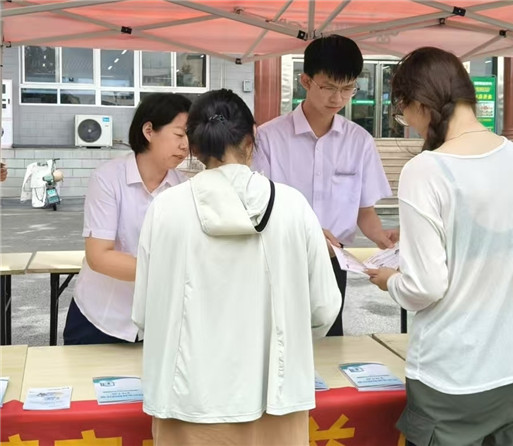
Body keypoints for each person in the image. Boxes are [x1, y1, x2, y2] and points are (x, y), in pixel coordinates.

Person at [132, 89, 341, 446]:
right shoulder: (293, 207)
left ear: (194, 147)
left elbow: (143, 314)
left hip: (186, 404)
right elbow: (323, 309)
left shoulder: (166, 209)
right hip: (276, 402)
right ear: (252, 137)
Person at [367, 47, 513, 446]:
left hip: (451, 382)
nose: (410, 126)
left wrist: (390, 280)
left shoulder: (426, 170)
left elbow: (425, 286)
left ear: (420, 103)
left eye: (404, 114)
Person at [253, 35, 397, 336]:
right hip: (280, 259)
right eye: (329, 87)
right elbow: (258, 206)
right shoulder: (268, 138)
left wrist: (383, 238)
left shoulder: (359, 141)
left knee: (329, 343)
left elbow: (364, 211)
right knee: (275, 339)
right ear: (305, 81)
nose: (338, 98)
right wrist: (306, 231)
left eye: (347, 89)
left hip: (333, 264)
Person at [63, 93, 191, 345]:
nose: (186, 145)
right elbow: (99, 256)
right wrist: (168, 271)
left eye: (190, 136)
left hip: (157, 321)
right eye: (179, 134)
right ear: (149, 131)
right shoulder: (108, 179)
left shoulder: (183, 187)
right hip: (100, 318)